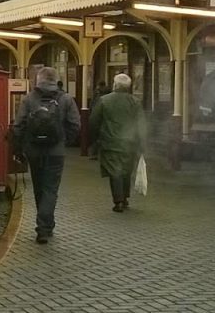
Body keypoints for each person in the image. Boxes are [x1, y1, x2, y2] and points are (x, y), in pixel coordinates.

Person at [11, 66, 81, 244]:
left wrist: (18, 149)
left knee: (39, 187)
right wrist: (64, 142)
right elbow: (75, 124)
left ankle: (45, 225)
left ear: (38, 80)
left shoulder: (29, 99)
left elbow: (18, 125)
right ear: (56, 80)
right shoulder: (66, 99)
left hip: (33, 151)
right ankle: (44, 227)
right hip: (56, 152)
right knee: (50, 189)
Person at [90, 73, 147, 212]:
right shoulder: (135, 102)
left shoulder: (104, 101)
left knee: (115, 171)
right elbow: (141, 124)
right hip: (130, 143)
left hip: (110, 142)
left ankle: (118, 201)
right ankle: (125, 198)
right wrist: (142, 143)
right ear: (129, 87)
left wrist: (95, 140)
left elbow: (93, 122)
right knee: (126, 171)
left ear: (115, 85)